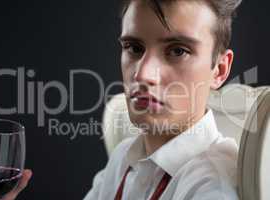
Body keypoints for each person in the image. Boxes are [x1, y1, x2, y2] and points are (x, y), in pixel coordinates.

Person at [84, 0, 242, 199]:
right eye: (134, 48)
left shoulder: (214, 187)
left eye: (178, 51)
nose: (143, 74)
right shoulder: (123, 157)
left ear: (219, 70)